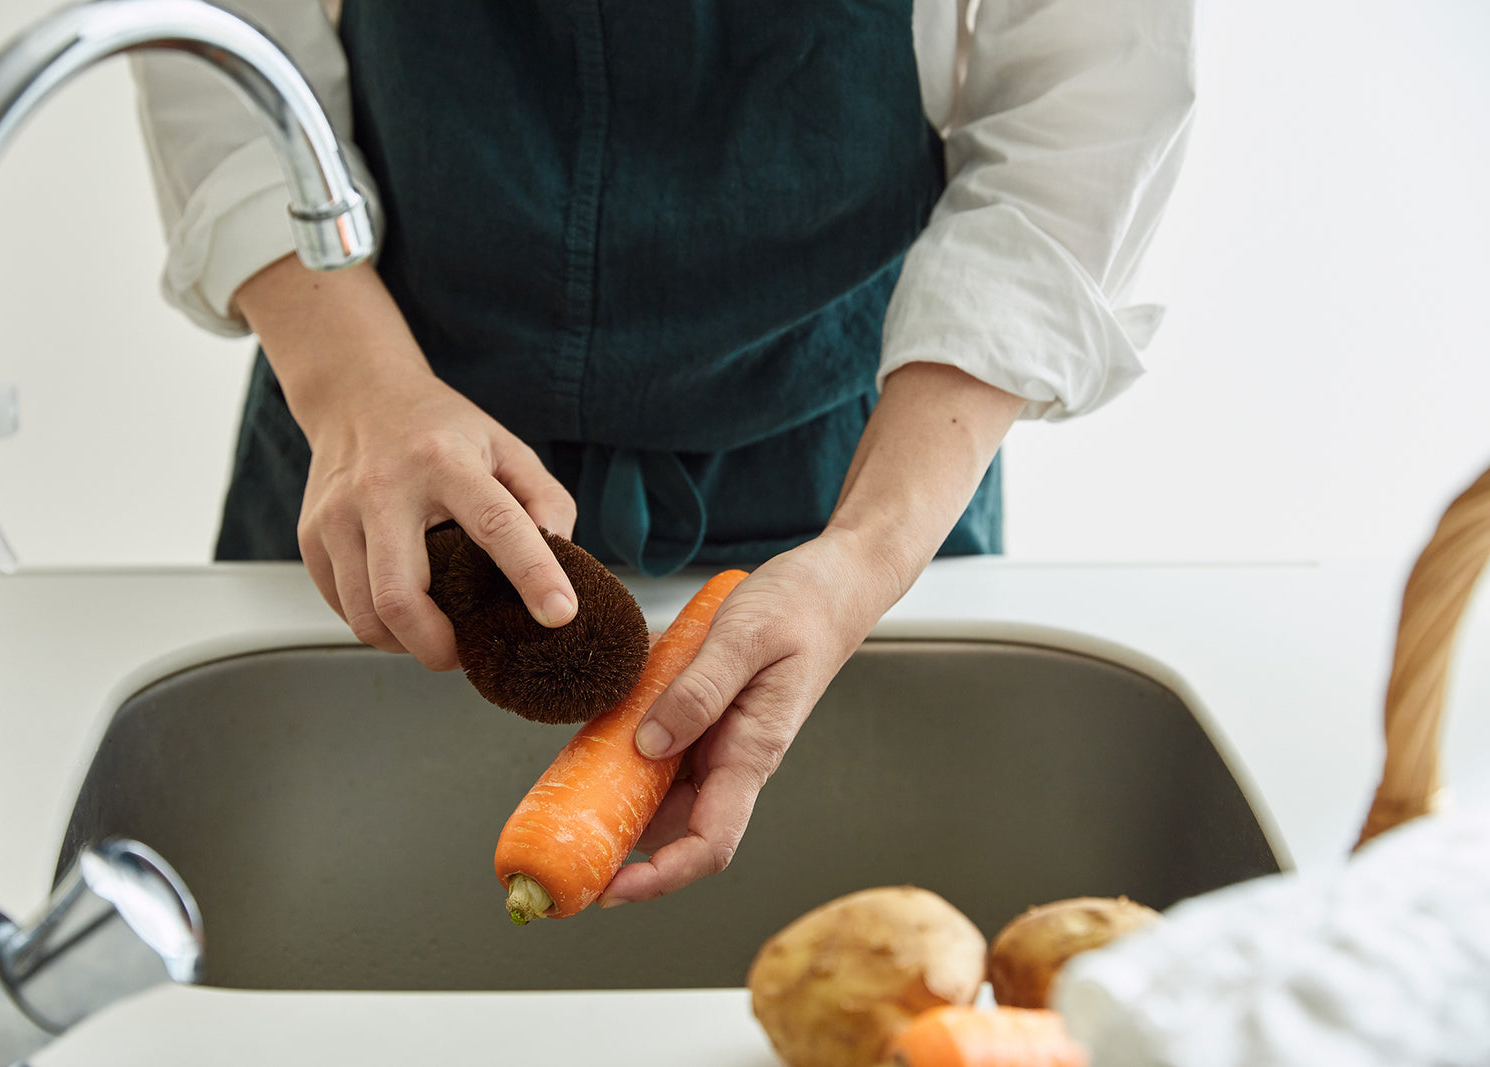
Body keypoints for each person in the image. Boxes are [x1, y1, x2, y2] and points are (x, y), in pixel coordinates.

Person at [131, 0, 1195, 907]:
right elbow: (224, 40)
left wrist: (866, 551)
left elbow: (1080, 111)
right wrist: (358, 389)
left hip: (848, 472)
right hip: (382, 455)